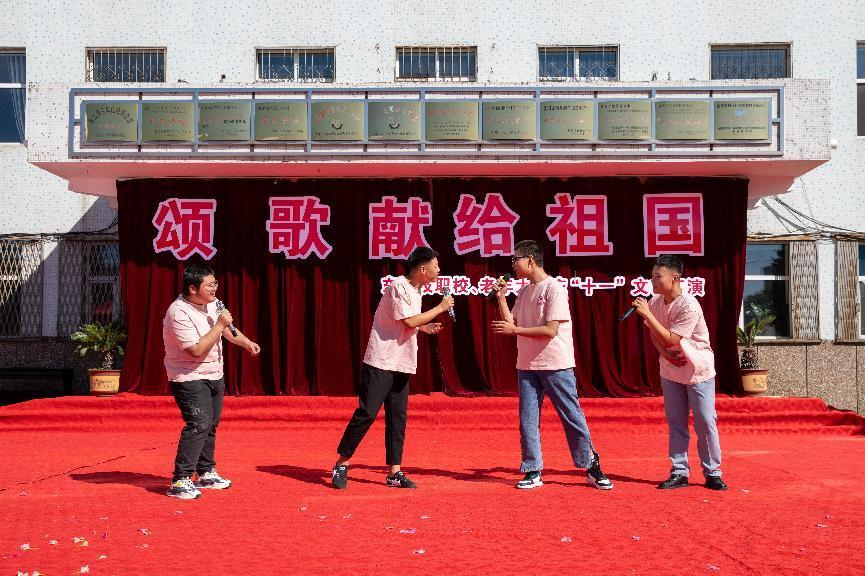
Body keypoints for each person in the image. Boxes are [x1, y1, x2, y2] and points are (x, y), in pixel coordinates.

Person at [491, 240, 613, 490]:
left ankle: (591, 465)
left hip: (555, 363)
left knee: (571, 416)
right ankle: (532, 469)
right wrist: (501, 297)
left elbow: (550, 330)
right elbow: (512, 322)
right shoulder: (524, 292)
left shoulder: (554, 288)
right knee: (528, 419)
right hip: (527, 364)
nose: (512, 265)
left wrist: (515, 330)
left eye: (515, 260)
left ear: (530, 260)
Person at [331, 246, 453, 490]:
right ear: (423, 268)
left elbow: (406, 322)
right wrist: (440, 308)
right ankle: (341, 463)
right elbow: (409, 320)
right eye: (436, 266)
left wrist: (424, 328)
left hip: (402, 361)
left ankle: (394, 472)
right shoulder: (398, 286)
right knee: (367, 413)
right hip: (382, 360)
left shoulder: (416, 290)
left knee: (397, 416)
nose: (439, 270)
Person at [163, 262, 261, 500]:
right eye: (209, 285)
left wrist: (246, 343)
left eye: (215, 283)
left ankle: (206, 472)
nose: (214, 288)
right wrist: (219, 324)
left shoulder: (213, 304)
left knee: (210, 424)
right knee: (198, 424)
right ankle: (180, 479)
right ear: (193, 288)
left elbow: (227, 330)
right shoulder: (178, 312)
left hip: (214, 374)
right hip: (189, 377)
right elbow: (196, 350)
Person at [631, 254, 727, 491]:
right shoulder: (655, 302)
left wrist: (648, 315)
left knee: (705, 421)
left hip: (697, 370)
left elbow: (672, 338)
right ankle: (679, 471)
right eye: (652, 276)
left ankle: (713, 473)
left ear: (675, 278)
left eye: (658, 277)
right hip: (671, 371)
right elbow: (654, 334)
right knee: (676, 422)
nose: (653, 281)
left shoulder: (688, 305)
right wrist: (664, 354)